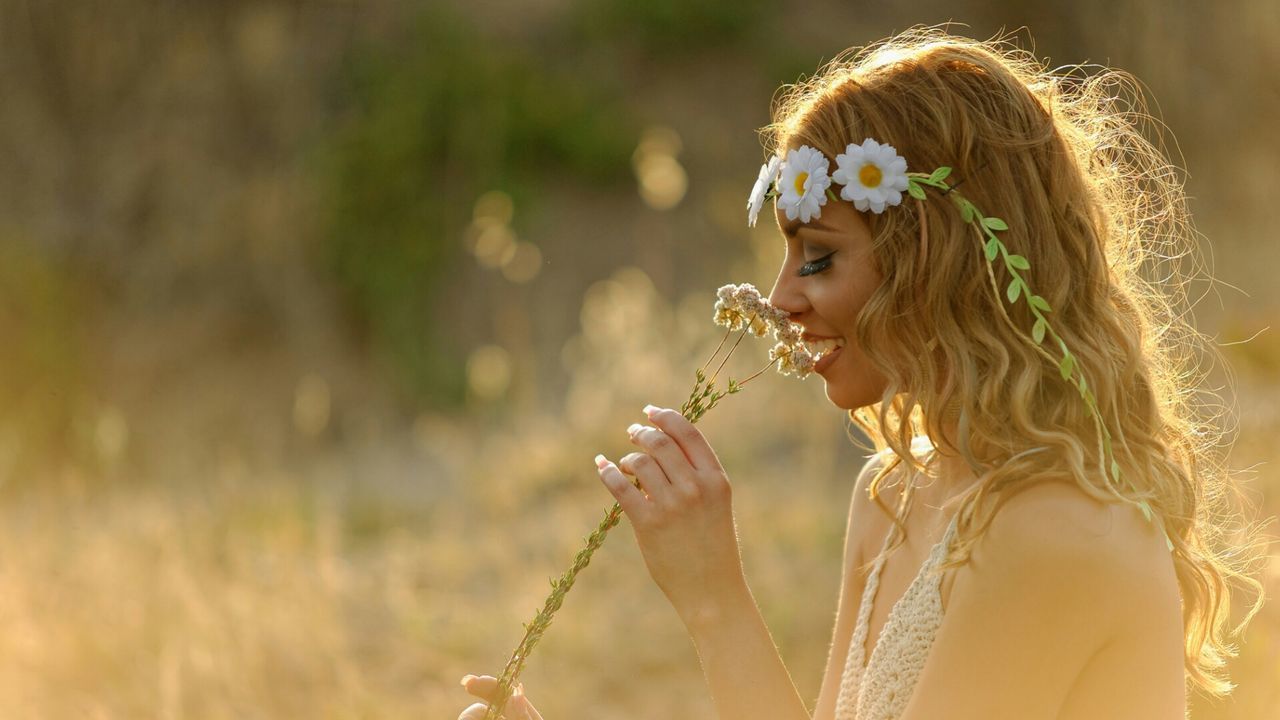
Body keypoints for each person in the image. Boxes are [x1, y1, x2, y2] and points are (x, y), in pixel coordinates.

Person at [459, 27, 1264, 720]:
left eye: (819, 257)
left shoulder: (1056, 533)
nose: (778, 300)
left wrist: (714, 600)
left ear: (935, 257)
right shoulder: (895, 496)